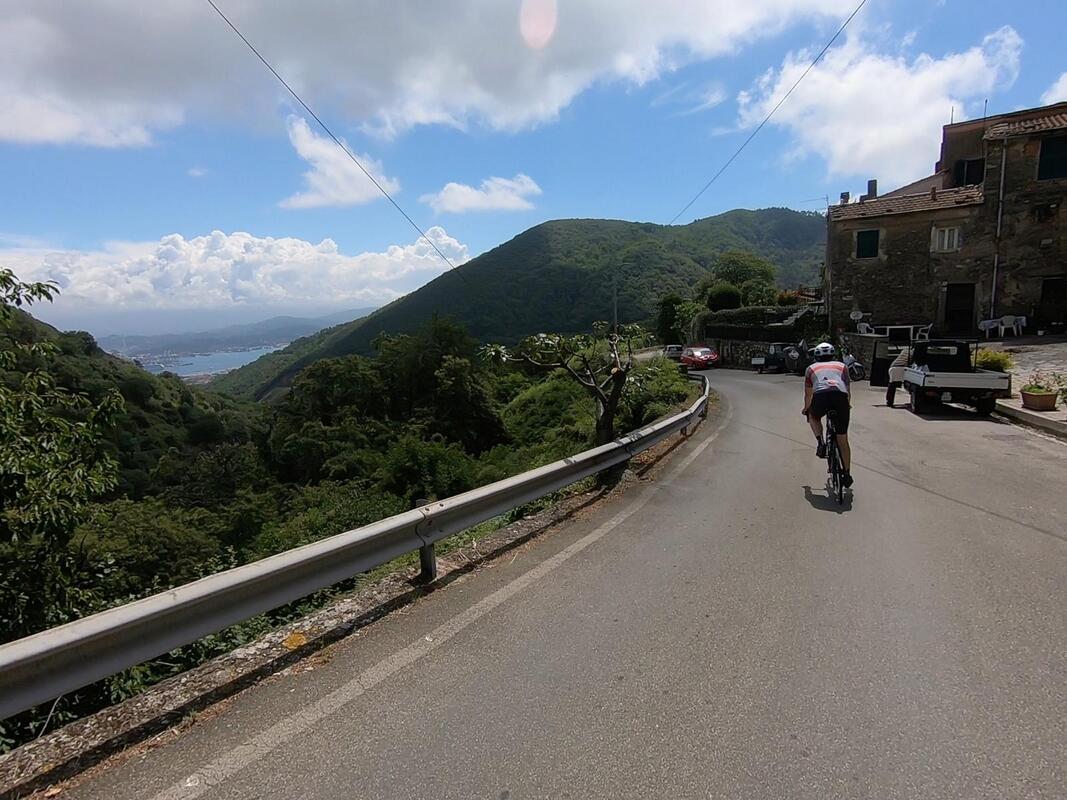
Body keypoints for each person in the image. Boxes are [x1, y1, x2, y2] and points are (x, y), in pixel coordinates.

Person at [802, 342, 853, 488]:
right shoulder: (842, 366)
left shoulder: (810, 368)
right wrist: (847, 405)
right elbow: (847, 391)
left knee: (813, 416)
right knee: (843, 439)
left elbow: (808, 395)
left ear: (816, 356)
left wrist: (806, 409)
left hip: (821, 397)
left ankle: (821, 442)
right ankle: (847, 474)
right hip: (840, 398)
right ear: (833, 354)